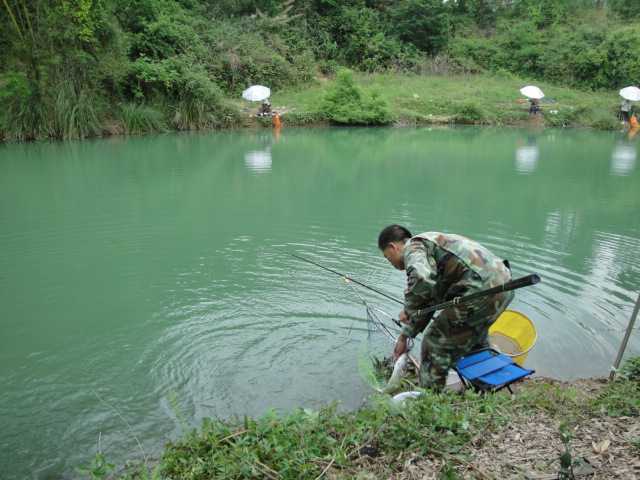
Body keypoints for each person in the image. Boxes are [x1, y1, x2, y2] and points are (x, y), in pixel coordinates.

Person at [378, 225, 514, 391]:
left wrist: (408, 310)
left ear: (393, 246)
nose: (389, 262)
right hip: (503, 285)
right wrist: (405, 336)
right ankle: (483, 387)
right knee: (475, 339)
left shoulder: (413, 248)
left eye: (387, 257)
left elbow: (421, 279)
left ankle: (428, 401)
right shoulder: (429, 246)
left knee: (433, 342)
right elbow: (429, 300)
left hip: (483, 289)